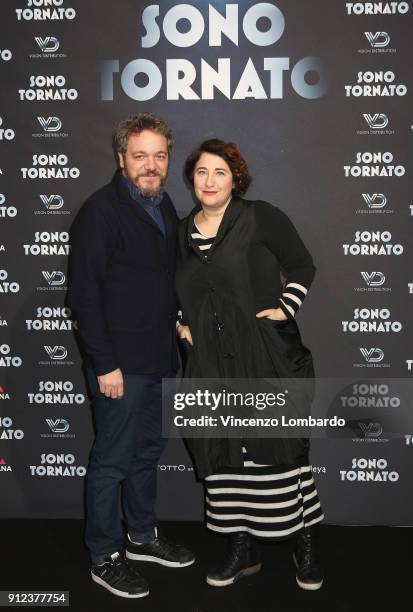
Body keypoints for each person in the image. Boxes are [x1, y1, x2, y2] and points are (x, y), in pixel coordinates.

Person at [176, 139, 324, 590]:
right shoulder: (182, 232)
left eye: (219, 172)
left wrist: (286, 307)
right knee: (223, 455)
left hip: (264, 357)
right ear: (192, 179)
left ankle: (305, 544)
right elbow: (180, 287)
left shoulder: (260, 216)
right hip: (210, 365)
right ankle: (243, 550)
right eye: (202, 172)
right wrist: (182, 324)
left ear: (235, 178)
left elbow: (301, 264)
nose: (209, 181)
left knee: (280, 452)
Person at [69, 112, 194, 599]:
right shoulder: (100, 211)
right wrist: (105, 364)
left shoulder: (163, 206)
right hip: (121, 366)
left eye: (159, 156)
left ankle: (141, 537)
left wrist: (181, 322)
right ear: (121, 158)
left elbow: (164, 280)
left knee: (147, 454)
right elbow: (84, 296)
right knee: (112, 461)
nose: (150, 165)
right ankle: (104, 555)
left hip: (162, 360)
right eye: (140, 155)